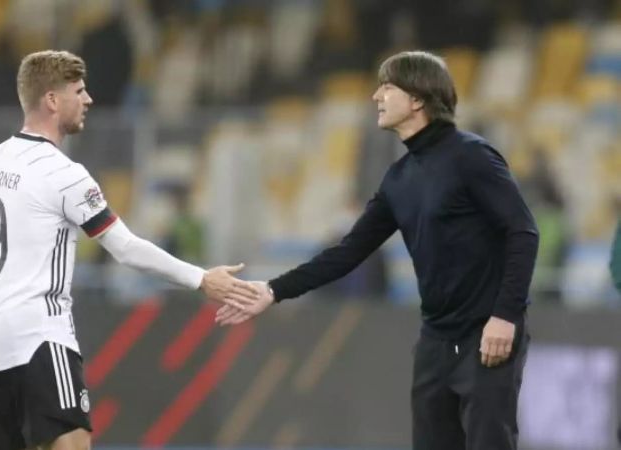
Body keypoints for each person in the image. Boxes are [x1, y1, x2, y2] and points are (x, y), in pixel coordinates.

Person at [217, 51, 539, 450]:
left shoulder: (472, 156)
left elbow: (523, 232)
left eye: (388, 86)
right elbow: (348, 252)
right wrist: (272, 290)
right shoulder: (398, 178)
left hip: (487, 334)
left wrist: (505, 316)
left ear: (418, 98)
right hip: (437, 340)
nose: (376, 96)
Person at [0, 50, 257, 450]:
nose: (88, 99)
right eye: (79, 90)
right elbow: (124, 247)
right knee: (72, 444)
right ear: (52, 100)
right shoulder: (63, 173)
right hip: (37, 333)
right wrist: (201, 278)